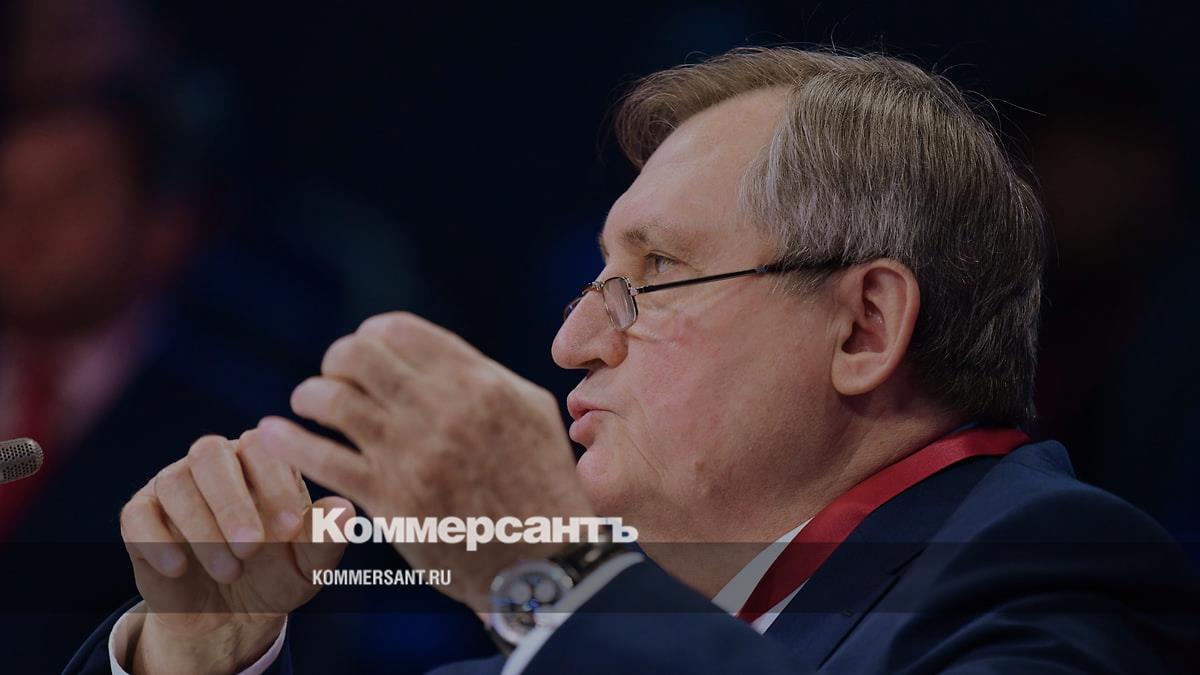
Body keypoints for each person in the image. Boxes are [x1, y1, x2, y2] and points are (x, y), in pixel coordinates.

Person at [66, 47, 1197, 674]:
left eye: (653, 273)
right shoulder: (560, 649)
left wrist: (552, 571)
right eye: (595, 280)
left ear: (862, 327)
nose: (570, 344)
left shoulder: (1057, 584)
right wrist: (191, 661)